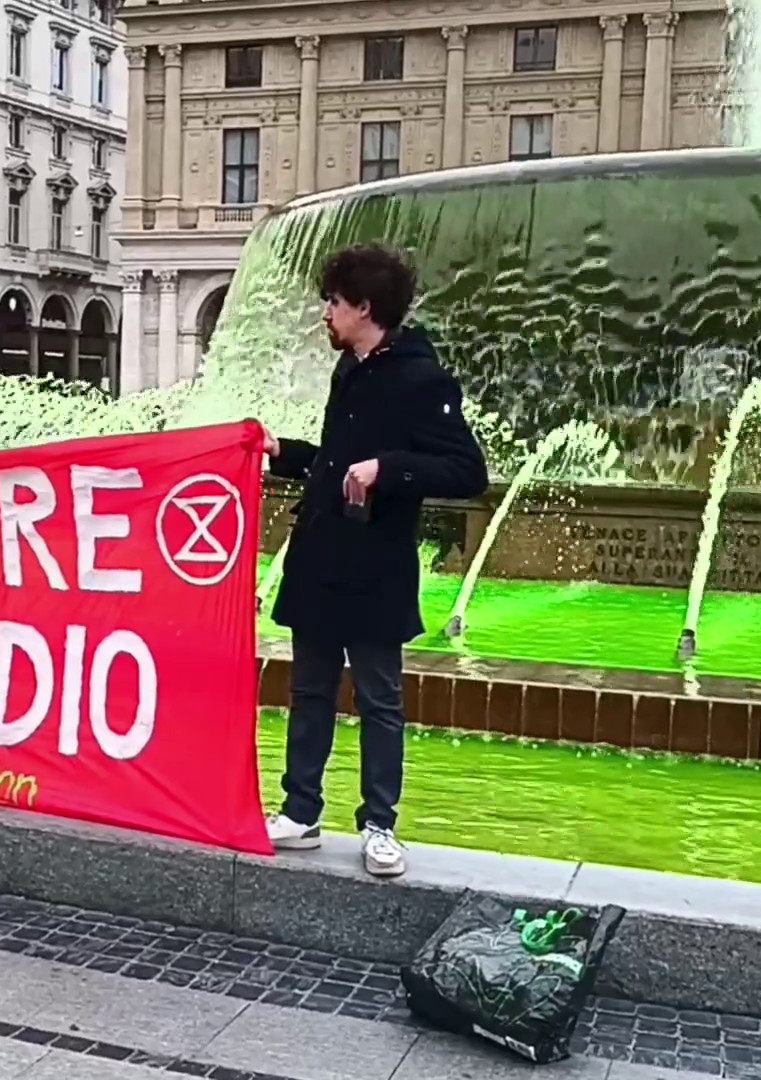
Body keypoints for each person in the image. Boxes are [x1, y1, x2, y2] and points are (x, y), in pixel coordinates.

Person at [260, 244, 489, 878]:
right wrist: (284, 452)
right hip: (320, 557)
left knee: (379, 699)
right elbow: (338, 463)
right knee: (308, 691)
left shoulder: (422, 379)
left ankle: (380, 825)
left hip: (375, 567)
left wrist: (389, 469)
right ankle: (300, 812)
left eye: (334, 302)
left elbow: (468, 471)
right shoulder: (351, 369)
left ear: (364, 308)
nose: (325, 313)